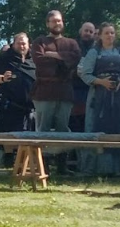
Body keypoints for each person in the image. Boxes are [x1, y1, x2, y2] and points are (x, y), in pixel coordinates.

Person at [78, 23, 120, 176]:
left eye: (112, 33)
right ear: (100, 35)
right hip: (99, 96)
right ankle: (95, 169)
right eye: (107, 33)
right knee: (96, 128)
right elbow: (85, 74)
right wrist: (102, 82)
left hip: (119, 96)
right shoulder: (93, 53)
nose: (110, 36)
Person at [30, 10, 82, 170]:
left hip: (65, 91)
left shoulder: (71, 43)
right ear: (47, 24)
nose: (57, 23)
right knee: (43, 129)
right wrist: (63, 58)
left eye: (59, 20)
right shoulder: (40, 42)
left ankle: (62, 166)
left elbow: (75, 58)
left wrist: (54, 55)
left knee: (63, 128)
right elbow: (40, 61)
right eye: (53, 21)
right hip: (44, 91)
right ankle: (43, 166)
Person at [0, 32, 37, 165]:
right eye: (19, 43)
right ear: (13, 44)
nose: (22, 46)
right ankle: (8, 157)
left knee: (28, 133)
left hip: (30, 106)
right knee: (8, 131)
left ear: (28, 45)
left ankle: (24, 159)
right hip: (10, 103)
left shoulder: (34, 60)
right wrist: (3, 78)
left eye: (24, 44)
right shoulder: (5, 58)